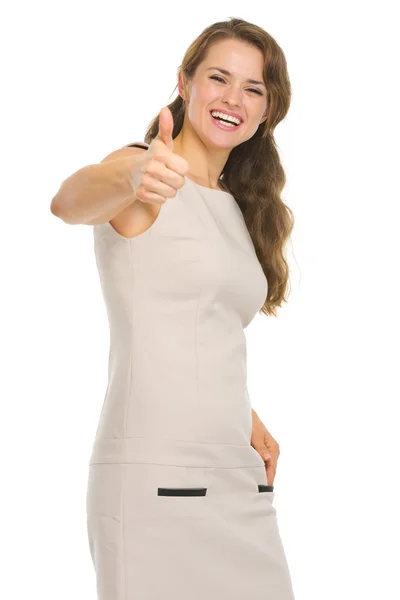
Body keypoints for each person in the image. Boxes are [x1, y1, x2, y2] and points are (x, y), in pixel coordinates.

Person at [51, 16, 295, 600]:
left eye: (253, 88)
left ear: (267, 110)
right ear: (184, 84)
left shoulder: (240, 207)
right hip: (155, 477)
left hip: (235, 476)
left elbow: (197, 325)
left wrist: (246, 417)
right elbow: (69, 200)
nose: (233, 98)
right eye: (218, 78)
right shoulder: (143, 171)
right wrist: (133, 173)